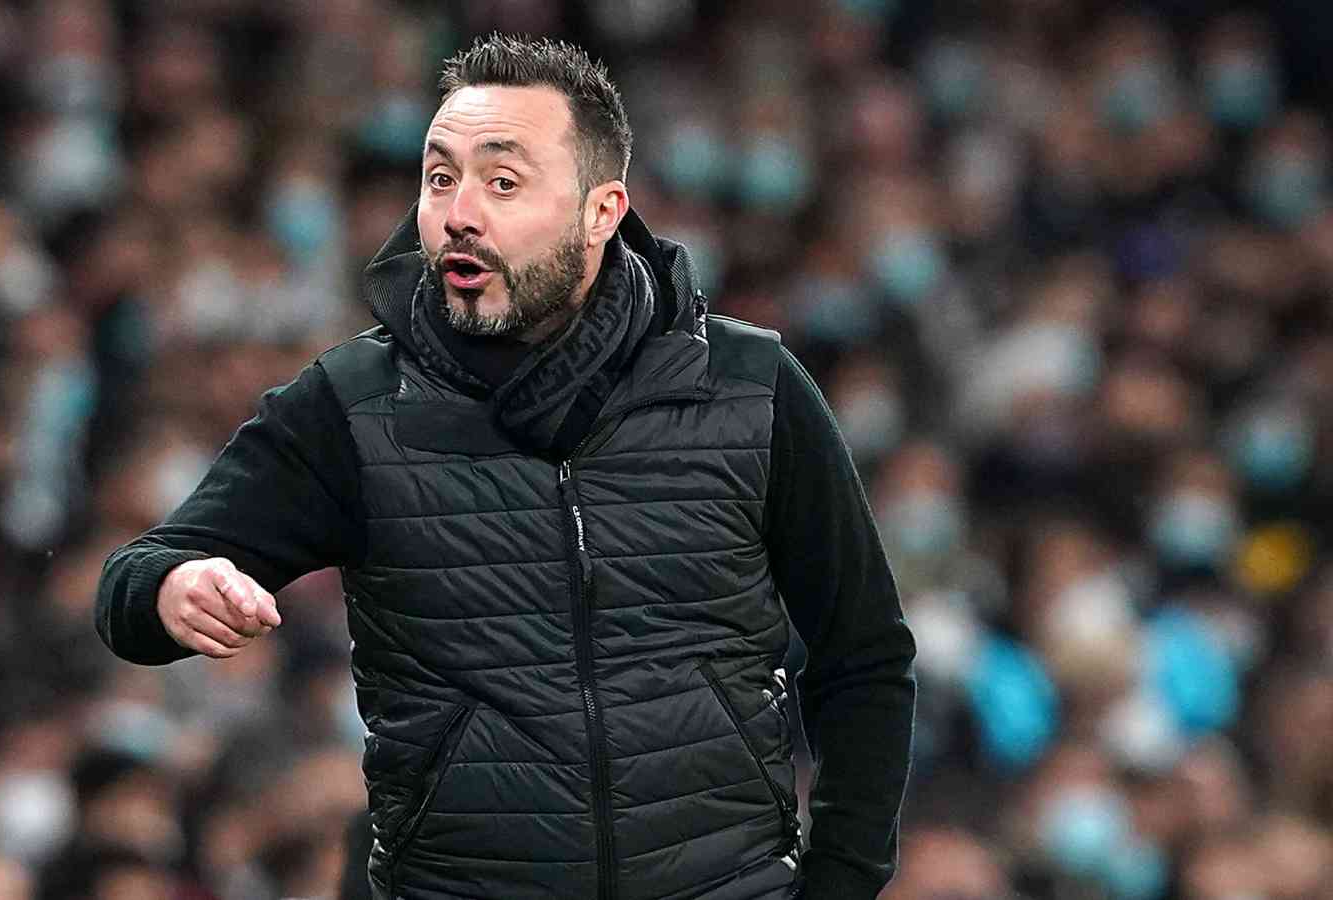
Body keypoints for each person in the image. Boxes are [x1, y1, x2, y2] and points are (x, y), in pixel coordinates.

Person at [95, 33, 916, 900]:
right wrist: (172, 588)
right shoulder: (354, 406)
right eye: (440, 177)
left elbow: (863, 655)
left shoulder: (751, 385)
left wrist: (839, 883)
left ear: (602, 211)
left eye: (503, 181)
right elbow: (132, 579)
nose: (458, 212)